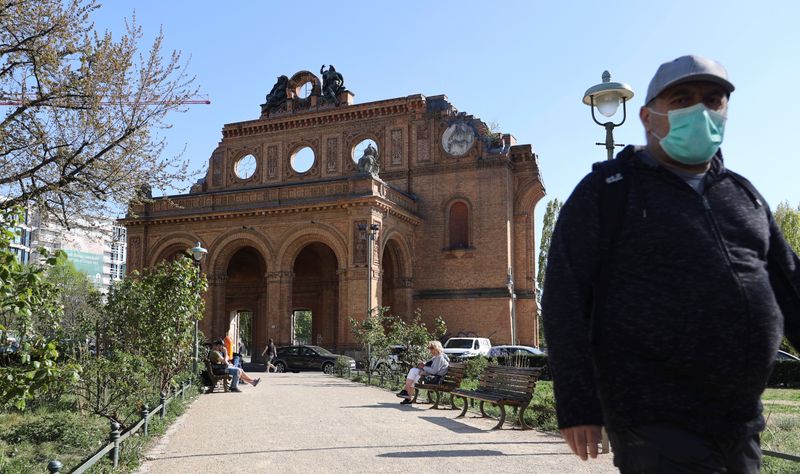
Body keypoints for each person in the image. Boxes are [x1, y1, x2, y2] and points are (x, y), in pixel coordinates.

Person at [542, 54, 800, 472]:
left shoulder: (742, 194)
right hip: (656, 423)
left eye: (713, 100)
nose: (701, 110)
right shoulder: (607, 192)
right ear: (647, 116)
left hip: (739, 421)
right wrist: (577, 404)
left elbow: (790, 288)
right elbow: (563, 300)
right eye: (682, 99)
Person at [396, 341, 449, 405]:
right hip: (433, 377)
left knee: (413, 371)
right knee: (415, 375)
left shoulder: (440, 358)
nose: (430, 350)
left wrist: (424, 367)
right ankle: (407, 397)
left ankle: (406, 392)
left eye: (431, 348)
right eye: (429, 348)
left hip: (436, 379)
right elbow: (433, 369)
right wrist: (424, 365)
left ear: (436, 348)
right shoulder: (436, 357)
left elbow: (434, 371)